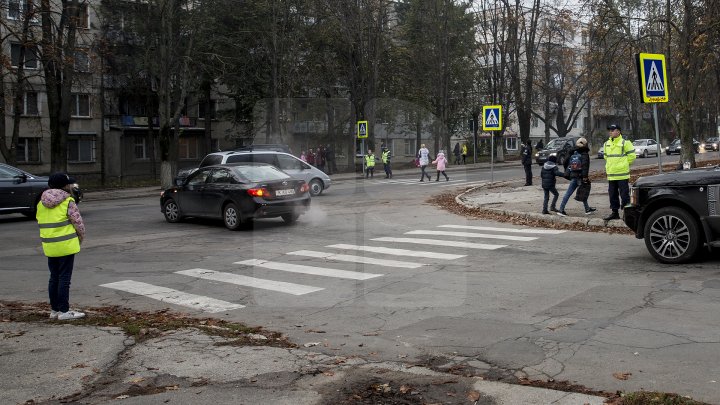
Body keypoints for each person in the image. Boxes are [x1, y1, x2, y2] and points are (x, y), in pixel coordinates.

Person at [37, 173, 86, 321]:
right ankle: (64, 311)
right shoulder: (68, 201)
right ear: (65, 186)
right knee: (65, 279)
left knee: (54, 278)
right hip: (65, 245)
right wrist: (80, 238)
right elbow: (78, 224)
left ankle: (55, 310)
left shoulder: (41, 203)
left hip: (49, 245)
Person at [603, 124, 636, 220]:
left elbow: (632, 156)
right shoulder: (606, 144)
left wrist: (624, 164)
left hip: (622, 175)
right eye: (610, 130)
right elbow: (606, 157)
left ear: (618, 131)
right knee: (612, 195)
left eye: (612, 130)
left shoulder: (625, 143)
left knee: (624, 195)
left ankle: (627, 214)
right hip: (611, 175)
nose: (610, 132)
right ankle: (615, 213)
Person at [557, 137, 597, 216]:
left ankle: (562, 209)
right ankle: (562, 210)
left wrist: (568, 171)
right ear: (585, 144)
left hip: (573, 175)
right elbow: (585, 166)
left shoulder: (573, 152)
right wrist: (585, 176)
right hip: (580, 176)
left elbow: (565, 162)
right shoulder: (584, 153)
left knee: (574, 192)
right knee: (584, 191)